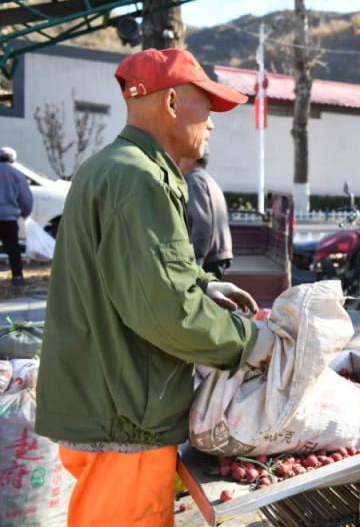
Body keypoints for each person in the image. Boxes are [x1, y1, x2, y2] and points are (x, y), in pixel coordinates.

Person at [35, 49, 273, 527]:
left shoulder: (110, 166)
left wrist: (206, 286)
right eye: (206, 105)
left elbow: (138, 273)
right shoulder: (139, 178)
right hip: (124, 411)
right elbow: (166, 310)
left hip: (102, 394)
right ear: (170, 104)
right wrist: (252, 342)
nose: (212, 123)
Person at [178, 152, 233, 279]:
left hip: (208, 257)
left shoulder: (193, 179)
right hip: (217, 253)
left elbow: (201, 222)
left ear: (192, 158)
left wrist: (197, 257)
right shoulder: (206, 178)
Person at [0, 146, 33, 287]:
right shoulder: (16, 174)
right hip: (9, 218)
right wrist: (25, 213)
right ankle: (17, 277)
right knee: (13, 248)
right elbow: (26, 199)